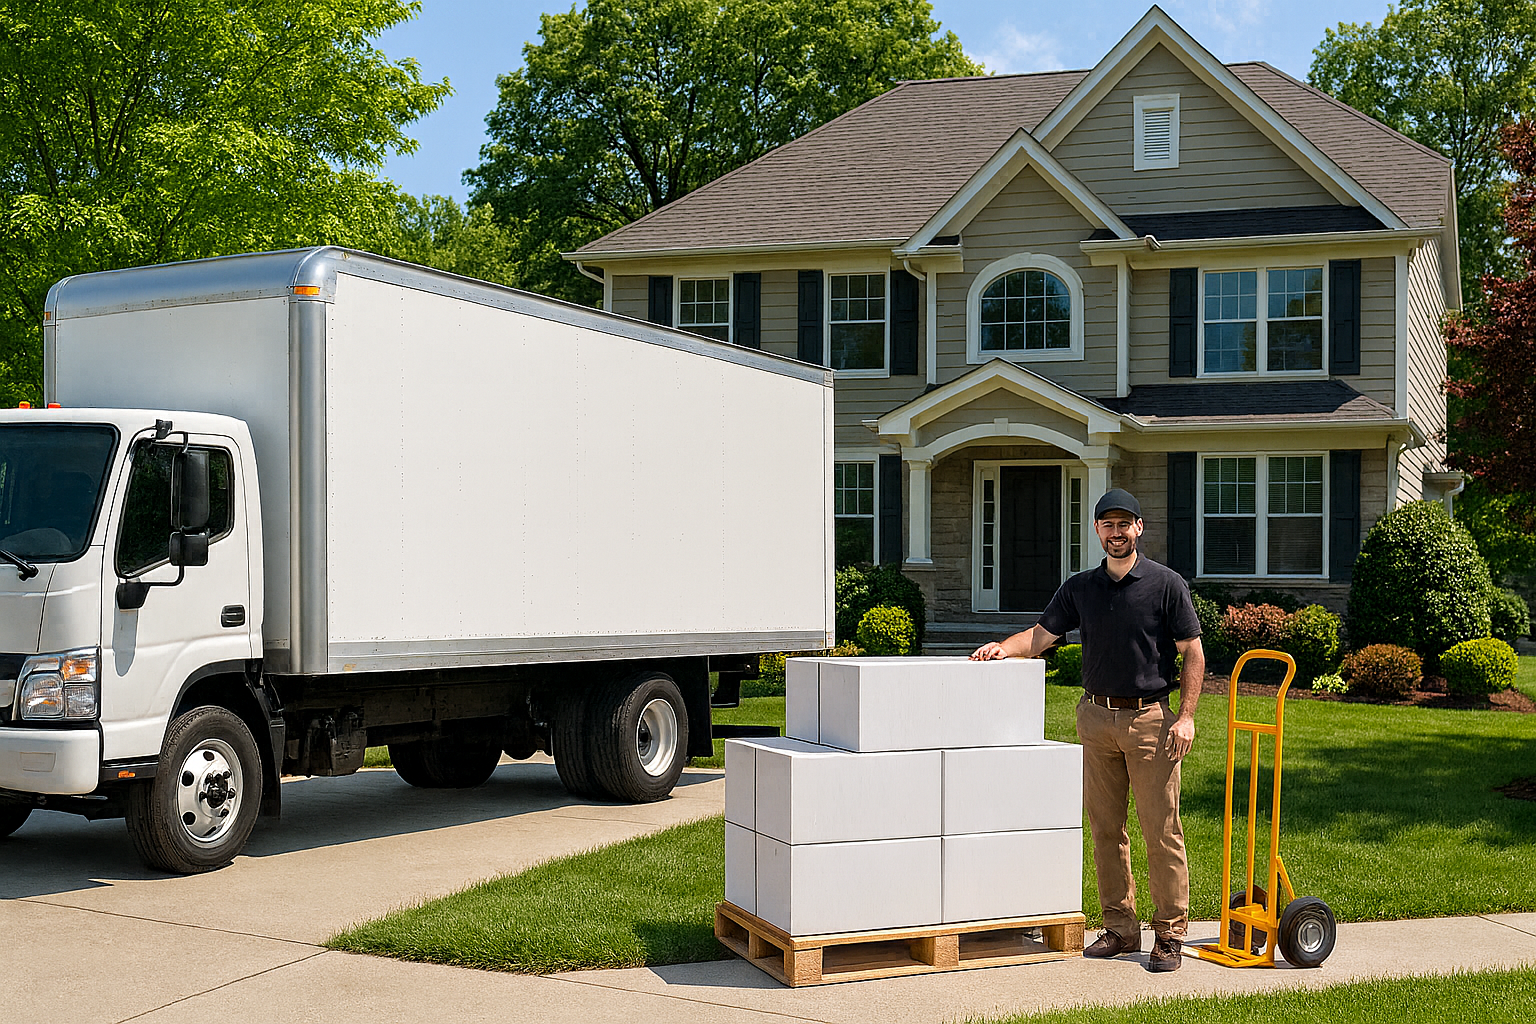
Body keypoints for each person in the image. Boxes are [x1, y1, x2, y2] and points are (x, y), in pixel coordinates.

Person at [971, 487, 1204, 973]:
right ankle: (1120, 928)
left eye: (1125, 524)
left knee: (1161, 831)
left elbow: (1193, 652)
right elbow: (1040, 636)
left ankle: (1169, 934)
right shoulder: (1080, 587)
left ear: (1139, 528)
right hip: (1095, 719)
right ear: (1097, 531)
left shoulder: (1166, 585)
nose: (1116, 533)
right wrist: (1002, 648)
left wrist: (1185, 717)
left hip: (1150, 722)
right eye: (1107, 525)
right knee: (1105, 829)